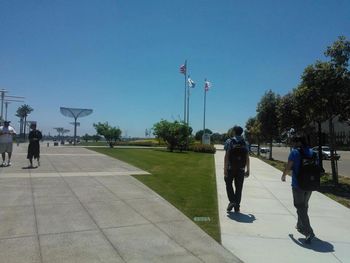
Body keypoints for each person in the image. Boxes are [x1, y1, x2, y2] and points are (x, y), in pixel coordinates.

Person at [281, 135, 316, 244]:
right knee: (304, 206)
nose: (293, 144)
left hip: (298, 185)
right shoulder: (313, 152)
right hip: (310, 184)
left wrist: (284, 175)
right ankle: (300, 225)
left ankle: (308, 232)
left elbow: (289, 166)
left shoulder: (295, 152)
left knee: (300, 207)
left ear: (298, 143)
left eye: (294, 142)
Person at [224, 125, 250, 212]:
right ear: (241, 132)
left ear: (234, 132)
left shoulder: (229, 141)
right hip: (241, 169)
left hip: (230, 168)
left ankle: (232, 201)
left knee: (228, 184)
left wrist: (225, 169)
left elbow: (227, 156)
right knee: (239, 187)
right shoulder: (245, 143)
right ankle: (237, 206)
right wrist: (248, 169)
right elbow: (247, 157)